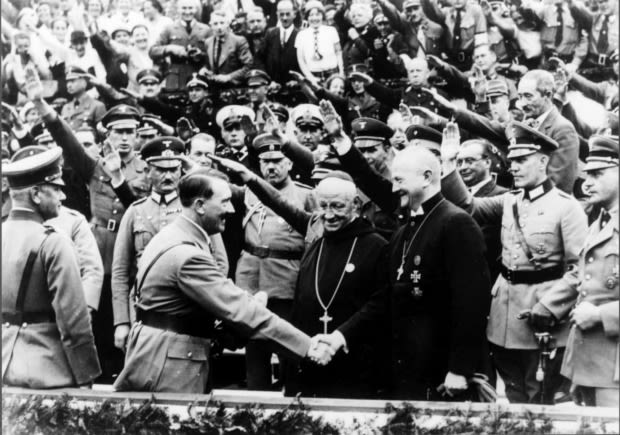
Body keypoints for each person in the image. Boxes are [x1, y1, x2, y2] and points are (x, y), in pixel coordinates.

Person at [113, 171, 332, 393]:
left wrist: (245, 303)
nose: (232, 209)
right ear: (199, 205)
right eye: (225, 202)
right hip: (172, 362)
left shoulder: (170, 235)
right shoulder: (189, 256)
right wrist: (307, 347)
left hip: (157, 351)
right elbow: (242, 312)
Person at [440, 120, 588, 404]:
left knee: (538, 399)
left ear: (544, 161)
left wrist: (549, 306)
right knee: (513, 396)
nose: (514, 167)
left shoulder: (566, 207)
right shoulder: (510, 201)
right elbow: (468, 206)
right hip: (504, 318)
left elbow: (578, 269)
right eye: (512, 161)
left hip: (541, 319)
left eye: (522, 160)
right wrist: (448, 162)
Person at [2, 146, 101, 388]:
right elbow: (73, 321)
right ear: (36, 194)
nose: (63, 197)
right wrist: (86, 374)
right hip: (48, 369)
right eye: (56, 188)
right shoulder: (54, 242)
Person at [235, 133, 316, 390]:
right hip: (250, 278)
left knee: (287, 345)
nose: (271, 167)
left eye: (278, 161)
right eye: (265, 161)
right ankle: (256, 398)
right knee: (254, 345)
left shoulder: (305, 195)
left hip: (286, 280)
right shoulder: (246, 193)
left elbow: (313, 238)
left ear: (290, 163)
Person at [560, 134, 619, 408]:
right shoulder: (598, 222)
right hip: (590, 363)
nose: (587, 183)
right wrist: (577, 370)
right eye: (587, 174)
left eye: (598, 174)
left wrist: (599, 315)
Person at [456, 138, 507, 281]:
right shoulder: (454, 197)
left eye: (470, 161)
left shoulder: (502, 196)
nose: (463, 167)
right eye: (459, 162)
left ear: (487, 162)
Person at [149, 0, 211, 98]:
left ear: (196, 9)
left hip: (198, 77)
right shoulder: (169, 29)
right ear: (178, 10)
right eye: (184, 8)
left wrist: (202, 56)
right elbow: (152, 51)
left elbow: (212, 55)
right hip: (176, 79)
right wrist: (169, 48)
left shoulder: (206, 30)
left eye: (190, 8)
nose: (187, 12)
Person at [295, 0, 344, 86]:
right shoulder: (301, 35)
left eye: (318, 14)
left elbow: (338, 52)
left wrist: (341, 72)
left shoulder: (331, 31)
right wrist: (310, 77)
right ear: (306, 17)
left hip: (332, 73)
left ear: (322, 16)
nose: (314, 18)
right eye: (311, 15)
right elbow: (301, 60)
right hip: (313, 75)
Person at [203, 11, 254, 90]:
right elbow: (209, 65)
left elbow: (249, 66)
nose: (219, 27)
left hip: (234, 88)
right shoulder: (208, 42)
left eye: (222, 23)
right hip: (215, 88)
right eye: (215, 24)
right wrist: (205, 70)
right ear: (211, 26)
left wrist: (229, 77)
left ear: (227, 24)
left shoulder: (238, 41)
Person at [262, 0, 301, 86]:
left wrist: (298, 81)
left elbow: (305, 62)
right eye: (281, 14)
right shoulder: (270, 34)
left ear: (294, 14)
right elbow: (261, 59)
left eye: (288, 14)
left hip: (294, 88)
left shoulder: (301, 35)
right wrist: (268, 80)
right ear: (277, 14)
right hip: (273, 86)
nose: (284, 18)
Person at [60, 65, 106, 130]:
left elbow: (102, 134)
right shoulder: (65, 108)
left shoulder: (97, 106)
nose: (69, 85)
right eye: (67, 81)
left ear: (84, 83)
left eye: (73, 81)